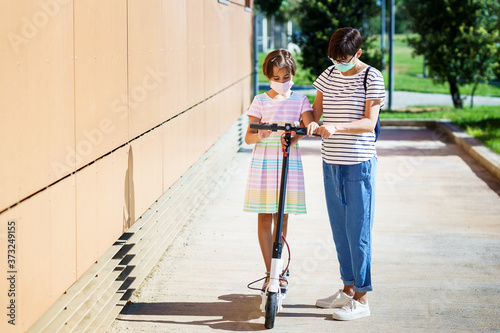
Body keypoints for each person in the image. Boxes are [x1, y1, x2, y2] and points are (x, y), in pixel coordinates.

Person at [307, 27, 385, 321]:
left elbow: (368, 122)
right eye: (334, 58)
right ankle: (347, 289)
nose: (338, 64)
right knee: (339, 230)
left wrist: (337, 127)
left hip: (359, 163)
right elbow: (316, 111)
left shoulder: (371, 77)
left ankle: (362, 299)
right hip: (331, 162)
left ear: (358, 54)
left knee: (358, 231)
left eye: (344, 59)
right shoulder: (327, 75)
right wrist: (313, 124)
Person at [244, 48, 315, 290]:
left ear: (292, 75)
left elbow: (309, 125)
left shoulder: (300, 100)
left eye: (286, 78)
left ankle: (280, 268)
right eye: (276, 78)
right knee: (264, 217)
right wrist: (261, 133)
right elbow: (248, 137)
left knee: (281, 216)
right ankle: (269, 272)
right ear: (268, 77)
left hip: (288, 160)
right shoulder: (260, 100)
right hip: (264, 163)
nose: (282, 82)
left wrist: (299, 134)